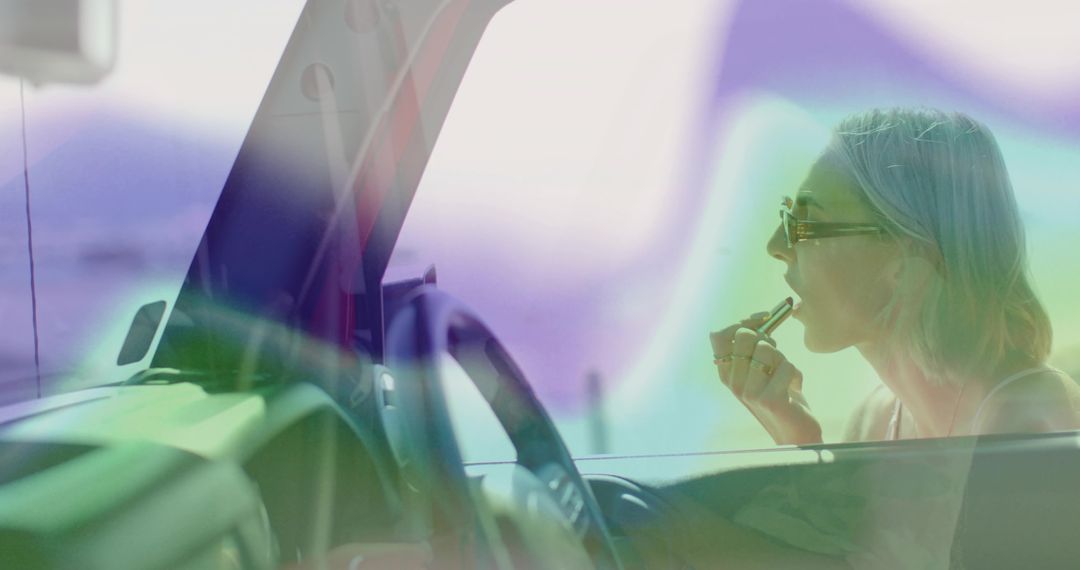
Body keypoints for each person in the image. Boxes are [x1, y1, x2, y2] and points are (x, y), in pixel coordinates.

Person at [710, 107, 1080, 446]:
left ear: (904, 262)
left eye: (807, 223)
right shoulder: (875, 420)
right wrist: (796, 437)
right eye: (787, 218)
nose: (776, 245)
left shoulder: (1030, 415)